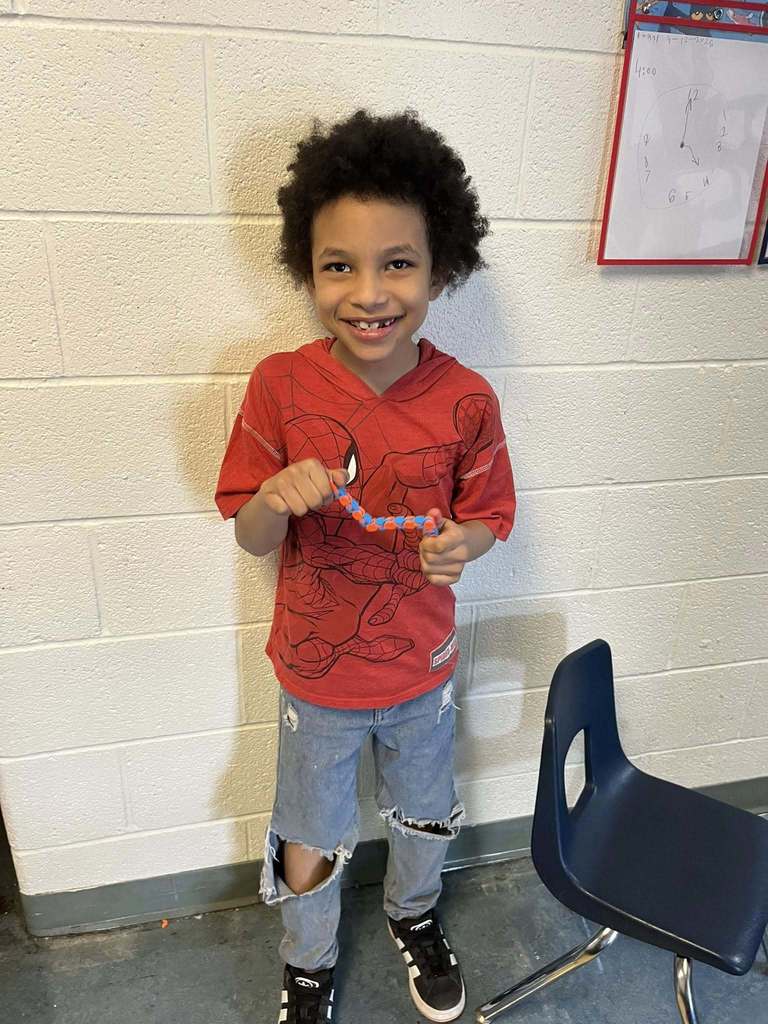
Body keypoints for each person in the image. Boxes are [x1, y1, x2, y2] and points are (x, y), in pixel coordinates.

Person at [214, 107, 516, 1023]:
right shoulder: (280, 384)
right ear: (306, 270)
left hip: (420, 671)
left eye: (398, 263)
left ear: (441, 267)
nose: (368, 291)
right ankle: (306, 962)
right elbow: (249, 535)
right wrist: (274, 499)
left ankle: (413, 915)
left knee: (424, 813)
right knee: (309, 828)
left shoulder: (466, 398)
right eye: (338, 265)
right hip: (315, 678)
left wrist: (469, 543)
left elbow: (490, 517)